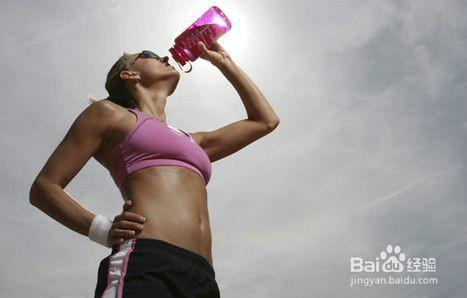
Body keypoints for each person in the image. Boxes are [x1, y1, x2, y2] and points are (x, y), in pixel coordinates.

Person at [29, 40, 280, 297]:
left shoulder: (193, 141)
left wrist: (224, 63)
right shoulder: (108, 114)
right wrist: (102, 230)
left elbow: (265, 120)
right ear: (129, 74)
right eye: (150, 55)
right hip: (147, 263)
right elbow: (44, 188)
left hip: (203, 277)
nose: (165, 58)